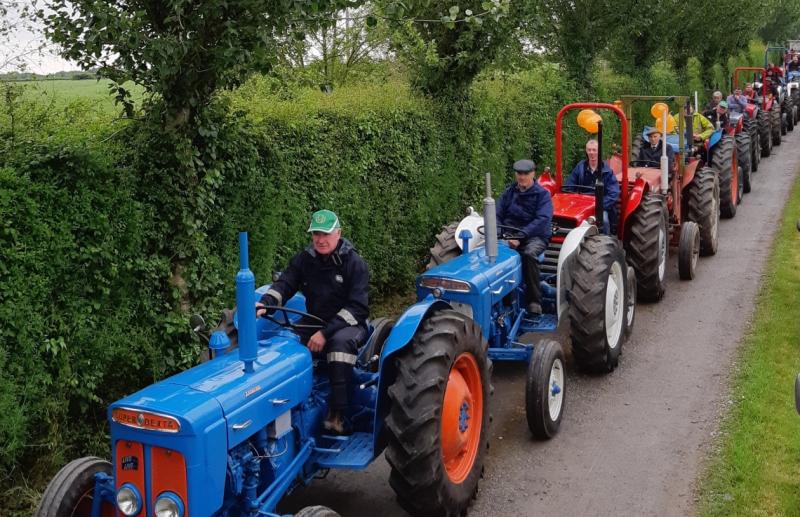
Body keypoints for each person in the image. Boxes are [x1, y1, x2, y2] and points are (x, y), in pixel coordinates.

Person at [256, 209, 369, 435]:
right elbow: (286, 283)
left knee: (338, 347)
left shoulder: (354, 263)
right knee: (284, 343)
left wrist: (325, 333)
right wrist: (266, 302)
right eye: (316, 234)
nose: (320, 239)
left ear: (338, 233)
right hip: (314, 321)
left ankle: (338, 415)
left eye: (325, 234)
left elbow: (358, 307)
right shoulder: (305, 259)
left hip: (349, 324)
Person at [496, 159, 553, 316]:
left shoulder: (542, 195)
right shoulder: (509, 192)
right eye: (519, 174)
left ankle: (534, 300)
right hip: (509, 234)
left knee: (528, 254)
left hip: (534, 237)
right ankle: (503, 298)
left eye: (525, 174)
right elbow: (496, 214)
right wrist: (500, 233)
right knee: (493, 252)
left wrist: (520, 237)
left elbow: (542, 221)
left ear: (533, 174)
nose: (521, 177)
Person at [566, 139, 620, 234]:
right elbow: (569, 185)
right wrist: (573, 199)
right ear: (586, 151)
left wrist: (600, 206)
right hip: (581, 205)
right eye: (589, 150)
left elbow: (613, 193)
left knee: (604, 221)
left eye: (594, 150)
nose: (592, 153)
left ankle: (606, 244)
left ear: (599, 152)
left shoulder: (607, 171)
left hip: (600, 206)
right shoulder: (580, 167)